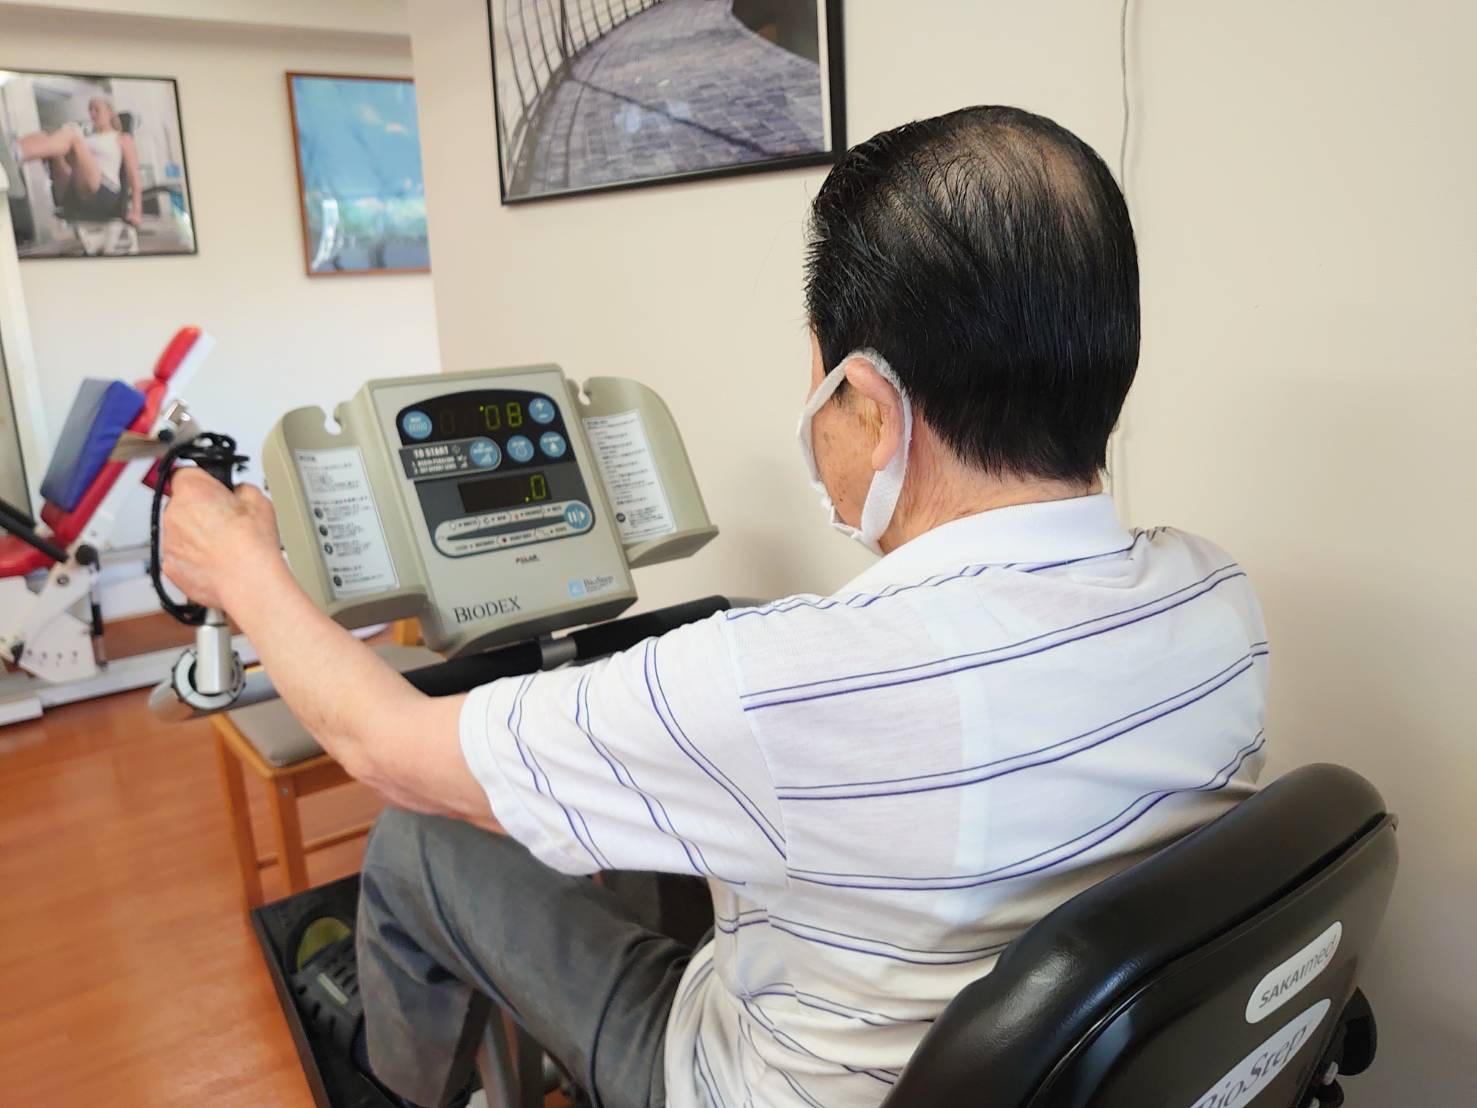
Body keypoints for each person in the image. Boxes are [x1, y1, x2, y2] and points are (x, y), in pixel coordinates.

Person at [162, 106, 1269, 1108]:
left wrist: (238, 566)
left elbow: (384, 745)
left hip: (728, 1079)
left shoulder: (778, 685)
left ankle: (385, 1080)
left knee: (417, 837)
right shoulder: (1218, 599)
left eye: (817, 377)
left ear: (869, 404)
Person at [12, 94, 142, 227]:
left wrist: (136, 212)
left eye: (96, 109)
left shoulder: (122, 138)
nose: (92, 114)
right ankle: (11, 152)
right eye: (90, 110)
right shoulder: (88, 138)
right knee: (44, 135)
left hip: (105, 191)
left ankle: (16, 153)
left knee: (71, 135)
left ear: (109, 112)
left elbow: (134, 176)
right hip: (76, 191)